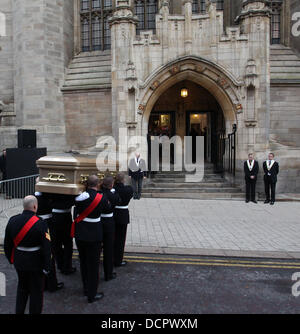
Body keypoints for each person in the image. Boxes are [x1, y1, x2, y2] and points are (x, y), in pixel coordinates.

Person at [4, 195, 51, 314]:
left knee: (22, 290)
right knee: (36, 293)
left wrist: (11, 259)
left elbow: (7, 244)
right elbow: (47, 248)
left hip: (19, 261)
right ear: (35, 206)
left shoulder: (13, 220)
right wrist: (47, 266)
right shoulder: (41, 223)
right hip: (36, 263)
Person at [73, 175, 111, 303]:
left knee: (83, 262)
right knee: (93, 265)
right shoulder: (101, 197)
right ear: (97, 184)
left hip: (80, 232)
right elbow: (107, 208)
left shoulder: (79, 197)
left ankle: (85, 288)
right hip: (94, 233)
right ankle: (92, 294)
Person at [35, 185, 64, 292]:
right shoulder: (48, 197)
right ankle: (52, 284)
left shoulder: (33, 197)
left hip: (36, 224)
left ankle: (42, 283)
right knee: (49, 254)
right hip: (48, 226)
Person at [99, 176, 121, 281]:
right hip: (109, 223)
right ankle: (108, 274)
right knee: (108, 249)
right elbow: (118, 200)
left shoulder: (99, 194)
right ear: (111, 185)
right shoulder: (113, 195)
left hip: (98, 222)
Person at [51, 194, 76, 275]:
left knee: (57, 243)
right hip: (65, 218)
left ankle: (60, 264)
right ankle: (67, 267)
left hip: (55, 217)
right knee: (68, 244)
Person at [113, 173, 133, 267]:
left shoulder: (112, 190)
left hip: (112, 214)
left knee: (111, 238)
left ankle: (110, 257)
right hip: (123, 215)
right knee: (120, 239)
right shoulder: (128, 189)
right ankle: (118, 260)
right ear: (123, 180)